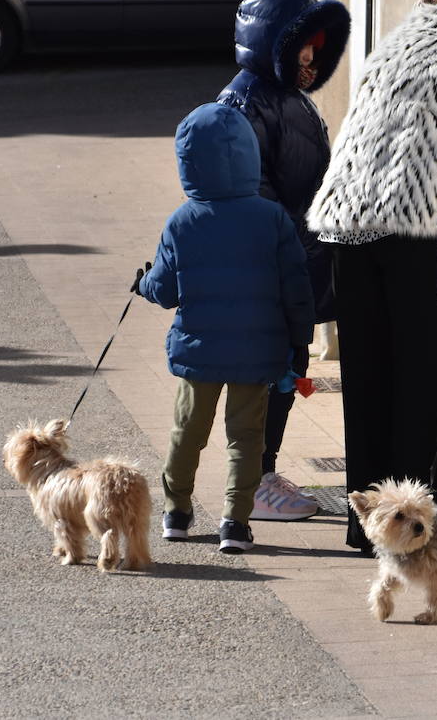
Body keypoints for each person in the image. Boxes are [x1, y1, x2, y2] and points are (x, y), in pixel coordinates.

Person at [307, 0, 437, 552]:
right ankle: (416, 529)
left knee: (369, 379)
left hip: (350, 226)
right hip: (413, 229)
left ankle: (367, 521)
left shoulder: (395, 40)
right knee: (419, 381)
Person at [134, 101, 315, 554]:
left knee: (188, 431)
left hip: (200, 351)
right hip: (257, 353)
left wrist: (142, 283)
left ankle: (176, 510)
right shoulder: (272, 217)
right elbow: (297, 287)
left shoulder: (183, 221)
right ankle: (235, 522)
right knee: (246, 438)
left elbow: (165, 290)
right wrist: (299, 341)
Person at [216, 0, 351, 521]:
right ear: (277, 43)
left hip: (298, 265)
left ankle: (262, 471)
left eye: (317, 49)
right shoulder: (244, 105)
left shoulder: (287, 98)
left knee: (288, 371)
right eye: (304, 48)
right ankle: (252, 482)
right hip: (272, 270)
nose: (312, 58)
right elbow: (249, 195)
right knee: (270, 374)